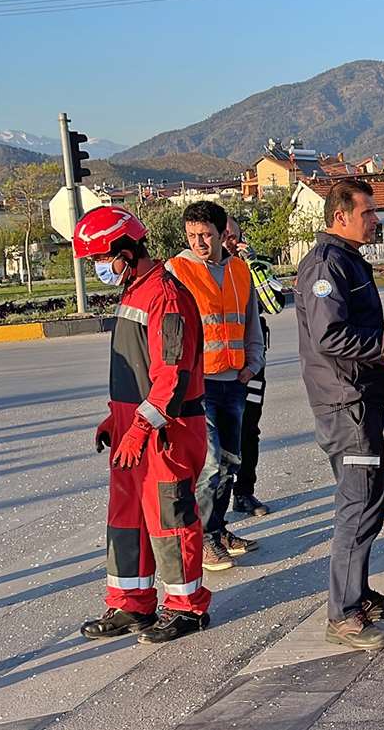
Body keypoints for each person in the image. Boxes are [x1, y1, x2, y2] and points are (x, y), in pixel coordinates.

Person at [74, 206, 213, 644]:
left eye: (101, 259)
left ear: (127, 251)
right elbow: (139, 370)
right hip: (133, 428)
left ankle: (186, 607)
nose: (98, 269)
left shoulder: (165, 297)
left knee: (171, 518)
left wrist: (138, 428)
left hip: (164, 431)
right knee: (126, 519)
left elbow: (171, 376)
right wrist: (115, 419)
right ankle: (131, 605)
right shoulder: (134, 291)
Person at [295, 178, 384, 650]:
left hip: (358, 398)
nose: (376, 220)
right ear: (340, 216)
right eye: (368, 213)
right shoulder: (325, 265)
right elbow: (330, 336)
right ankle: (342, 614)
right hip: (345, 404)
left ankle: (358, 594)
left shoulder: (345, 259)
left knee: (370, 501)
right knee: (357, 505)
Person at [166, 202, 262, 572]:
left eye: (206, 235)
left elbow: (249, 320)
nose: (199, 242)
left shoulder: (240, 270)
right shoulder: (178, 270)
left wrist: (253, 364)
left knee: (230, 464)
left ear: (223, 234)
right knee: (210, 465)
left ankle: (219, 529)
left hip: (234, 381)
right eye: (192, 236)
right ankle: (204, 538)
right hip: (197, 385)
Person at [223, 217, 285, 517]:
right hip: (216, 367)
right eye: (222, 236)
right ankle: (215, 499)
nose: (228, 243)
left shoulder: (255, 267)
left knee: (249, 429)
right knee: (217, 433)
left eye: (233, 237)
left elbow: (273, 305)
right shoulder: (202, 272)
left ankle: (244, 492)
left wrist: (252, 265)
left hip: (252, 363)